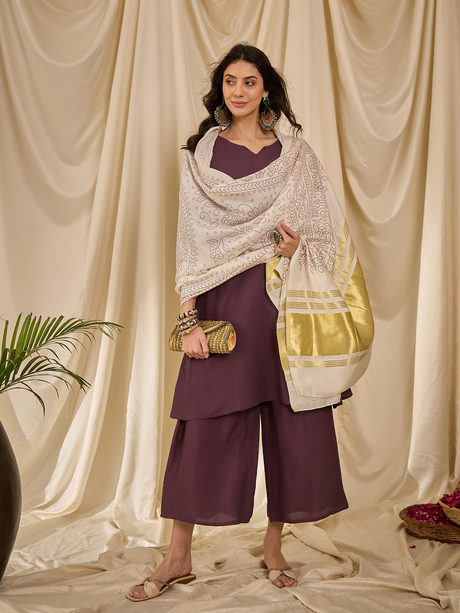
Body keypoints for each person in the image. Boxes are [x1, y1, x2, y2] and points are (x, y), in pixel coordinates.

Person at [127, 42, 373, 602]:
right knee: (202, 427)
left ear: (266, 91)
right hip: (222, 309)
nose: (239, 91)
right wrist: (188, 319)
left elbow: (322, 234)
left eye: (250, 82)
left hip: (283, 306)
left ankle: (274, 545)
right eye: (230, 82)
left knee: (291, 422)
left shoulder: (296, 157)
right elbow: (191, 245)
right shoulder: (202, 155)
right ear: (221, 90)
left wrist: (294, 249)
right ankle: (178, 556)